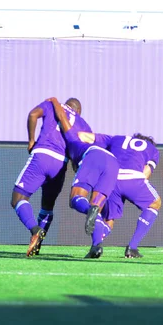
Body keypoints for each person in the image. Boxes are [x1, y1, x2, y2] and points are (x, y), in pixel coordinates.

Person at [11, 97, 92, 257]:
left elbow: (33, 115)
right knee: (47, 207)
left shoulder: (51, 105)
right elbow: (81, 150)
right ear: (78, 111)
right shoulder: (83, 124)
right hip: (61, 165)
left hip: (43, 156)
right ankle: (37, 246)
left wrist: (31, 141)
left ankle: (35, 230)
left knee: (18, 199)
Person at [80, 133, 161, 259]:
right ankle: (132, 248)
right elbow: (145, 174)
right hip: (132, 178)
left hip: (110, 178)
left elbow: (85, 137)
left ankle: (96, 245)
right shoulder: (152, 149)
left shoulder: (116, 139)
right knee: (155, 203)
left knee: (108, 219)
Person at [48, 97, 120, 240]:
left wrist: (54, 102)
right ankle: (96, 246)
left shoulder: (73, 137)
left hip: (92, 156)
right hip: (113, 162)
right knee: (97, 208)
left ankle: (89, 209)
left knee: (76, 199)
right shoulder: (87, 129)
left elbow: (62, 118)